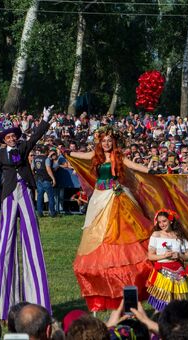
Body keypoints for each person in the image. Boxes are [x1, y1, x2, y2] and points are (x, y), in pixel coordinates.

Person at [66, 126, 155, 311]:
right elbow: (76, 155)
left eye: (109, 140)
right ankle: (105, 272)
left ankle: (129, 271)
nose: (106, 143)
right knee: (99, 232)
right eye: (103, 140)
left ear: (113, 142)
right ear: (100, 142)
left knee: (121, 231)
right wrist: (66, 150)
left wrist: (150, 170)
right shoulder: (95, 156)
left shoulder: (119, 157)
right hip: (100, 198)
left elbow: (134, 166)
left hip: (117, 197)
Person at [0, 107, 53, 320]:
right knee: (6, 239)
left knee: (31, 236)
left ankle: (38, 298)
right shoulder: (0, 154)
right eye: (8, 137)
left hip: (26, 191)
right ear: (4, 140)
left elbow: (37, 135)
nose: (12, 139)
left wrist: (45, 119)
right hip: (9, 195)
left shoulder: (23, 147)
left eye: (14, 136)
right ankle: (8, 303)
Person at [146, 209, 188, 311]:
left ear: (170, 221)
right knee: (162, 304)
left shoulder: (180, 236)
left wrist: (179, 255)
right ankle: (161, 323)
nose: (162, 224)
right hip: (163, 272)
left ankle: (180, 323)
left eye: (164, 221)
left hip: (179, 273)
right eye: (160, 222)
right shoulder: (156, 235)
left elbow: (187, 256)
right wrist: (164, 256)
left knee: (180, 304)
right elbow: (150, 256)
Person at [32, 145, 56, 218]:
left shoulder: (35, 158)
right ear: (46, 151)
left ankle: (40, 213)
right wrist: (53, 179)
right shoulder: (47, 159)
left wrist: (35, 175)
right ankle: (52, 213)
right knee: (51, 197)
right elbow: (48, 169)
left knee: (39, 197)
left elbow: (32, 168)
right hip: (46, 179)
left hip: (38, 179)